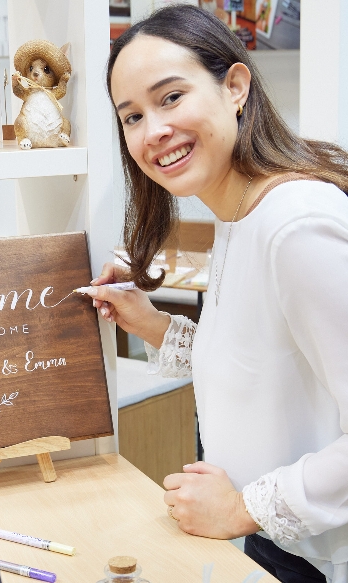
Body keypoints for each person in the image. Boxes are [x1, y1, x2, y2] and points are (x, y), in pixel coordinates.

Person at [86, 5, 348, 582]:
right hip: (278, 546)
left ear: (235, 87)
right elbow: (261, 361)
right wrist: (151, 324)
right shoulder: (240, 212)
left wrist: (242, 507)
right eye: (130, 116)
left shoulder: (296, 225)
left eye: (171, 97)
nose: (152, 131)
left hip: (317, 558)